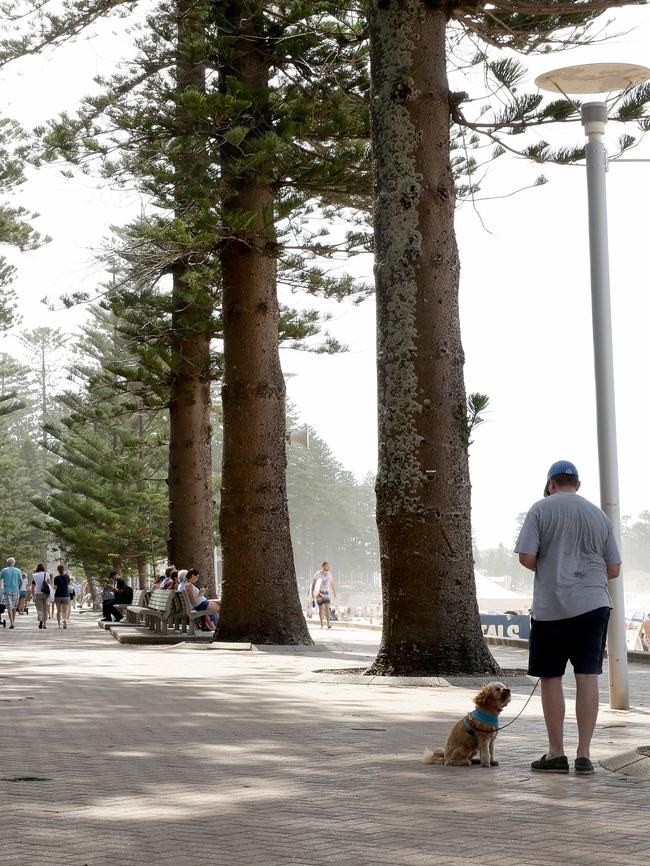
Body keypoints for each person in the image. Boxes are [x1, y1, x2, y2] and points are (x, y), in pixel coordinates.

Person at [515, 460, 621, 776]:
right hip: (594, 604)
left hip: (552, 607)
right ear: (578, 484)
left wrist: (551, 566)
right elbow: (613, 568)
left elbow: (526, 557)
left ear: (551, 483)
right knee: (588, 676)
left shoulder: (540, 509)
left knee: (551, 678)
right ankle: (584, 755)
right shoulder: (598, 515)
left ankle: (556, 753)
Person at [311, 561, 337, 629]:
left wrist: (334, 592)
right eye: (327, 566)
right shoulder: (317, 574)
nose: (329, 567)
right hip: (319, 593)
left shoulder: (329, 574)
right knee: (320, 609)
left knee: (327, 608)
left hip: (327, 593)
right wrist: (312, 593)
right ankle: (321, 624)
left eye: (329, 566)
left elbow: (332, 583)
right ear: (323, 566)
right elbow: (314, 583)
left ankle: (328, 624)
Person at [0, 557, 22, 629]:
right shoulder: (18, 570)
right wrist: (19, 588)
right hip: (16, 590)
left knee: (9, 607)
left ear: (7, 563)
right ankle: (13, 622)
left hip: (7, 591)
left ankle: (12, 622)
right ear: (14, 563)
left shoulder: (4, 570)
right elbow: (21, 581)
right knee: (14, 608)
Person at [32, 563, 52, 629]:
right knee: (45, 608)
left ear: (37, 568)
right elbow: (49, 583)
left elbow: (33, 586)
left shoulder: (34, 575)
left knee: (39, 607)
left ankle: (40, 617)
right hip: (45, 593)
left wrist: (33, 595)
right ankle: (44, 624)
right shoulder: (47, 574)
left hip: (38, 593)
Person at [53, 564, 72, 629]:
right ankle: (64, 620)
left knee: (58, 611)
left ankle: (58, 625)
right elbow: (69, 584)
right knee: (65, 611)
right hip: (65, 595)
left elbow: (55, 588)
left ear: (57, 570)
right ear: (63, 569)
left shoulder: (56, 578)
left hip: (58, 595)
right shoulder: (67, 577)